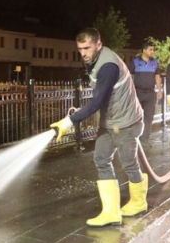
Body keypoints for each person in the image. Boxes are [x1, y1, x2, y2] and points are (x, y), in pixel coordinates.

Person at [50, 28, 148, 227]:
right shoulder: (94, 61)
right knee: (101, 159)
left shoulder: (108, 66)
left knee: (129, 163)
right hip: (110, 120)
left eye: (87, 48)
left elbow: (97, 101)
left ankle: (139, 202)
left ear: (98, 45)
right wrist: (81, 112)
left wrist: (69, 121)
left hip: (126, 121)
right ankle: (111, 212)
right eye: (80, 49)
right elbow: (99, 97)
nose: (83, 53)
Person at [129, 42, 163, 144]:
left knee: (149, 117)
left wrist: (159, 90)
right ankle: (135, 137)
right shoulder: (135, 61)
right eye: (150, 49)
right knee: (136, 116)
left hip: (150, 93)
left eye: (153, 50)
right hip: (138, 93)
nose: (152, 52)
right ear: (144, 50)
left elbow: (157, 76)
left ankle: (145, 139)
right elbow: (130, 76)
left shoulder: (154, 62)